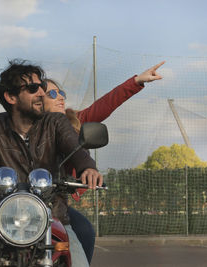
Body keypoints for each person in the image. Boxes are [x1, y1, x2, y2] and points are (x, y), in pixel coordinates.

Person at [0, 59, 103, 267]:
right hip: (6, 221)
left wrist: (87, 168)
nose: (42, 93)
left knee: (78, 263)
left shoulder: (56, 123)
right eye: (34, 88)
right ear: (11, 97)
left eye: (42, 87)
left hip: (52, 218)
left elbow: (74, 146)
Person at [43, 61, 165, 264]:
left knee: (85, 231)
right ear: (38, 102)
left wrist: (136, 81)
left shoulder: (75, 121)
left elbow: (105, 105)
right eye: (53, 95)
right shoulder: (25, 128)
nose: (61, 98)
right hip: (20, 201)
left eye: (61, 93)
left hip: (55, 203)